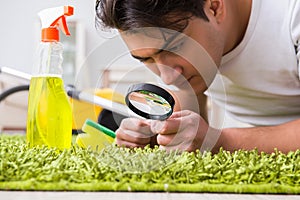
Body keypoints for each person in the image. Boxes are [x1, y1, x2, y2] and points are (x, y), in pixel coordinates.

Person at [95, 0, 300, 153]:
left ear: (214, 7)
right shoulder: (170, 59)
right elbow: (188, 109)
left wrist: (221, 141)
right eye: (146, 59)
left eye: (175, 47)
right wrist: (157, 133)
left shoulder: (292, 13)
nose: (167, 77)